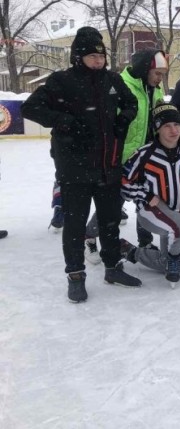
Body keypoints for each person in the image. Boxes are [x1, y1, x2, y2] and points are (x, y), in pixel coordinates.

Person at [21, 26, 142, 303]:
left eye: (101, 57)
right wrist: (66, 122)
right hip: (74, 167)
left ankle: (113, 268)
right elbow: (31, 108)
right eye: (92, 57)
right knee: (75, 226)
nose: (98, 61)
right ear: (78, 57)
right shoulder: (61, 81)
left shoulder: (111, 79)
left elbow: (131, 102)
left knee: (110, 222)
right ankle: (76, 275)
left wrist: (124, 119)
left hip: (108, 164)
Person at [83, 49, 168, 261]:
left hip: (148, 158)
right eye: (157, 73)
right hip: (121, 158)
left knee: (147, 202)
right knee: (114, 205)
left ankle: (146, 242)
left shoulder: (155, 91)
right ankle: (89, 235)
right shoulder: (120, 85)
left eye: (162, 73)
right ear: (144, 69)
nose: (160, 78)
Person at [121, 103, 180, 285]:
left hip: (179, 215)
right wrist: (147, 196)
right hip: (152, 212)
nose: (174, 130)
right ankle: (174, 253)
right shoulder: (144, 155)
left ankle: (130, 251)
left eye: (177, 125)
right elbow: (123, 183)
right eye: (167, 126)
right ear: (157, 129)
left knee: (170, 263)